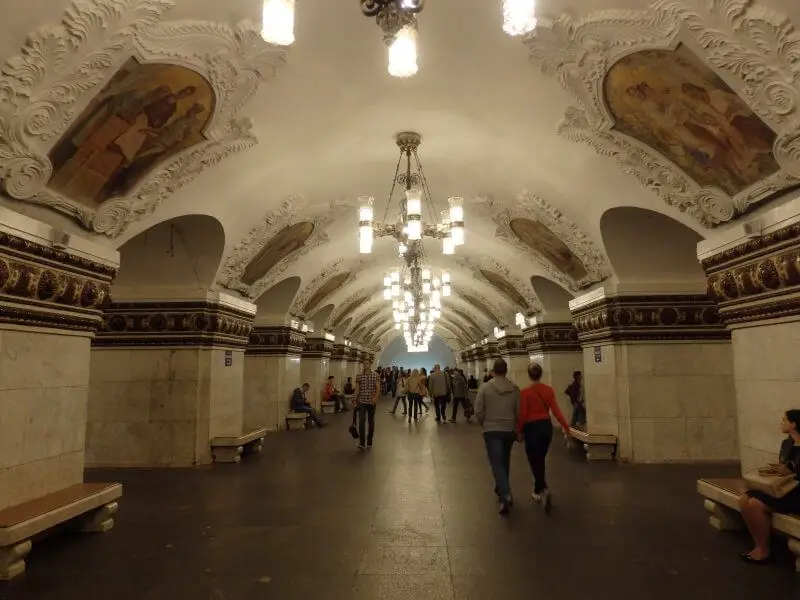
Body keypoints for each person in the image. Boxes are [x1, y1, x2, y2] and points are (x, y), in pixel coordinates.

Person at [738, 409, 800, 564]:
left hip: (797, 493)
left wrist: (792, 471)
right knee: (744, 498)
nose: (781, 423)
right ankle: (759, 544)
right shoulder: (787, 443)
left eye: (784, 420)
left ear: (793, 424)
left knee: (754, 504)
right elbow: (784, 465)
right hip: (785, 488)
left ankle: (763, 549)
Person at [517, 362, 571, 514]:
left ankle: (544, 488)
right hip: (546, 427)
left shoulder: (524, 393)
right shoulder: (548, 390)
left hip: (531, 428)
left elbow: (523, 415)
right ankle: (537, 489)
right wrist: (566, 428)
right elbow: (556, 410)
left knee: (534, 460)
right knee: (540, 459)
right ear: (540, 374)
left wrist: (518, 431)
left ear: (529, 375)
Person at [475, 358, 521, 515]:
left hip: (492, 430)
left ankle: (505, 493)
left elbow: (478, 410)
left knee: (496, 463)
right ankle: (500, 489)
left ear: (493, 371)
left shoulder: (485, 388)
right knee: (504, 461)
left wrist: (484, 423)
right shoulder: (515, 389)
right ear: (506, 371)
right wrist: (517, 429)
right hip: (509, 430)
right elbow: (518, 412)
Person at [354, 363, 381, 449]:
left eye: (367, 363)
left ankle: (369, 442)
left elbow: (378, 388)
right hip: (362, 401)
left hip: (371, 402)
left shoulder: (375, 375)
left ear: (370, 365)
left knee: (371, 421)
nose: (365, 365)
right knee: (361, 421)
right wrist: (354, 400)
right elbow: (357, 389)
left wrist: (375, 398)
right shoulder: (359, 376)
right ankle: (362, 443)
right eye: (364, 364)